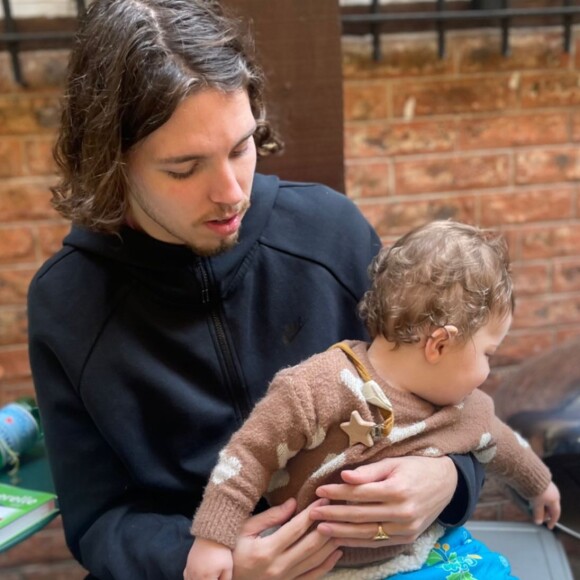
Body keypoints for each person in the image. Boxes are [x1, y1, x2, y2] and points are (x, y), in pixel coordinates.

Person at [27, 1, 484, 578]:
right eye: (184, 167)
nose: (230, 192)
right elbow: (98, 520)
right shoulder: (67, 303)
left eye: (241, 147)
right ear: (110, 164)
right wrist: (206, 561)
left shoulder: (331, 231)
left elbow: (456, 391)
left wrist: (449, 478)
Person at [186, 221, 561, 580]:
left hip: (431, 549)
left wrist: (540, 486)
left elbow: (505, 446)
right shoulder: (317, 387)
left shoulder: (465, 407)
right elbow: (248, 455)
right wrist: (213, 540)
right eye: (488, 355)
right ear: (440, 344)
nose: (487, 373)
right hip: (319, 566)